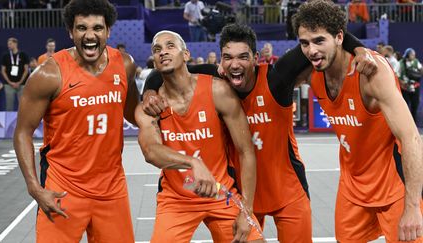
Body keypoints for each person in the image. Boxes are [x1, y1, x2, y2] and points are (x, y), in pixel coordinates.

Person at [142, 23, 376, 242]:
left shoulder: (277, 78)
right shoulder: (217, 81)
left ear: (255, 59)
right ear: (221, 62)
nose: (235, 65)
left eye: (243, 57)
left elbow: (325, 34)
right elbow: (165, 71)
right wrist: (150, 91)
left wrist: (360, 49)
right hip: (243, 193)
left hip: (287, 193)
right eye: (228, 58)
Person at [293, 1, 423, 242]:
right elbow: (268, 77)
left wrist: (413, 206)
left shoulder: (371, 73)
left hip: (394, 187)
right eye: (305, 43)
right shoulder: (312, 71)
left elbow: (411, 137)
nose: (311, 50)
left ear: (340, 37)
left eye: (319, 40)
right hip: (352, 188)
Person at [13, 0, 139, 242]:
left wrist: (154, 95)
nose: (90, 35)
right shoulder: (49, 74)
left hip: (111, 188)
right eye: (82, 28)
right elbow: (22, 132)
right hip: (62, 188)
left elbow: (134, 114)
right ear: (71, 32)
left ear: (108, 31)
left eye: (97, 28)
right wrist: (34, 188)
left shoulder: (125, 64)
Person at [136, 30, 263, 243]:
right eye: (157, 50)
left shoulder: (218, 91)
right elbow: (150, 152)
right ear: (154, 62)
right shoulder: (150, 107)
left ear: (186, 54)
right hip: (176, 199)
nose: (163, 52)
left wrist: (247, 211)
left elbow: (246, 151)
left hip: (221, 194)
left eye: (170, 46)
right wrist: (192, 162)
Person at [1, 37, 29, 111]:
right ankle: (9, 122)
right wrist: (10, 82)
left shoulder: (23, 55)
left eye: (10, 43)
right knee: (9, 106)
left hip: (22, 84)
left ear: (15, 44)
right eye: (8, 44)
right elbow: (3, 71)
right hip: (8, 85)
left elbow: (26, 70)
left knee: (23, 106)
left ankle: (23, 122)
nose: (8, 45)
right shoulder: (5, 56)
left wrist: (19, 82)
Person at [399, 48, 422, 123]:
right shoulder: (401, 63)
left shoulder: (416, 61)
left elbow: (421, 70)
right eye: (412, 55)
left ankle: (414, 123)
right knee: (405, 106)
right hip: (405, 87)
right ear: (408, 55)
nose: (414, 56)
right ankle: (405, 123)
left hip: (415, 87)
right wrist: (402, 83)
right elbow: (396, 74)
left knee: (415, 105)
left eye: (414, 55)